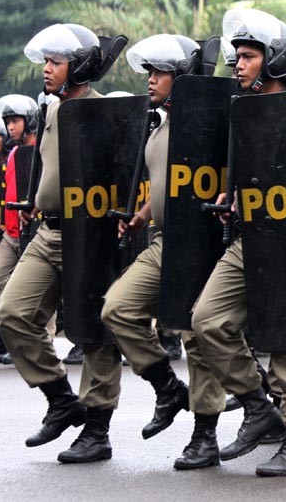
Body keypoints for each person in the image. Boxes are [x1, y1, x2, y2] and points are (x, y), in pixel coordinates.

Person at [192, 8, 286, 477]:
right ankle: (257, 405)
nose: (237, 64)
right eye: (236, 56)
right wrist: (236, 195)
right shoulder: (243, 110)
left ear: (275, 58)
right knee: (207, 320)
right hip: (249, 239)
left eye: (248, 56)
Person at [0, 23, 124, 462]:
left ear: (81, 66)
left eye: (55, 62)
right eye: (46, 62)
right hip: (48, 230)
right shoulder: (50, 110)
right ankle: (60, 399)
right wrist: (35, 200)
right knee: (12, 312)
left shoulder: (104, 111)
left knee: (92, 330)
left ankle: (97, 430)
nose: (46, 70)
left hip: (89, 232)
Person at [100, 33, 227, 470]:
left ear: (183, 77)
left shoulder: (207, 122)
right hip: (159, 240)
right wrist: (142, 212)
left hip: (200, 241)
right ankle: (167, 388)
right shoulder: (158, 124)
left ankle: (205, 435)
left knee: (196, 337)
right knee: (116, 308)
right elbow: (164, 183)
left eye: (160, 73)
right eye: (149, 72)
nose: (150, 80)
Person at [0, 96, 39, 365]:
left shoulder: (40, 151)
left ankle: (30, 339)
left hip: (35, 232)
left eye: (14, 121)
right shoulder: (14, 153)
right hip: (11, 232)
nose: (10, 127)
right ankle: (16, 330)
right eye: (7, 122)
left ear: (28, 121)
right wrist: (3, 217)